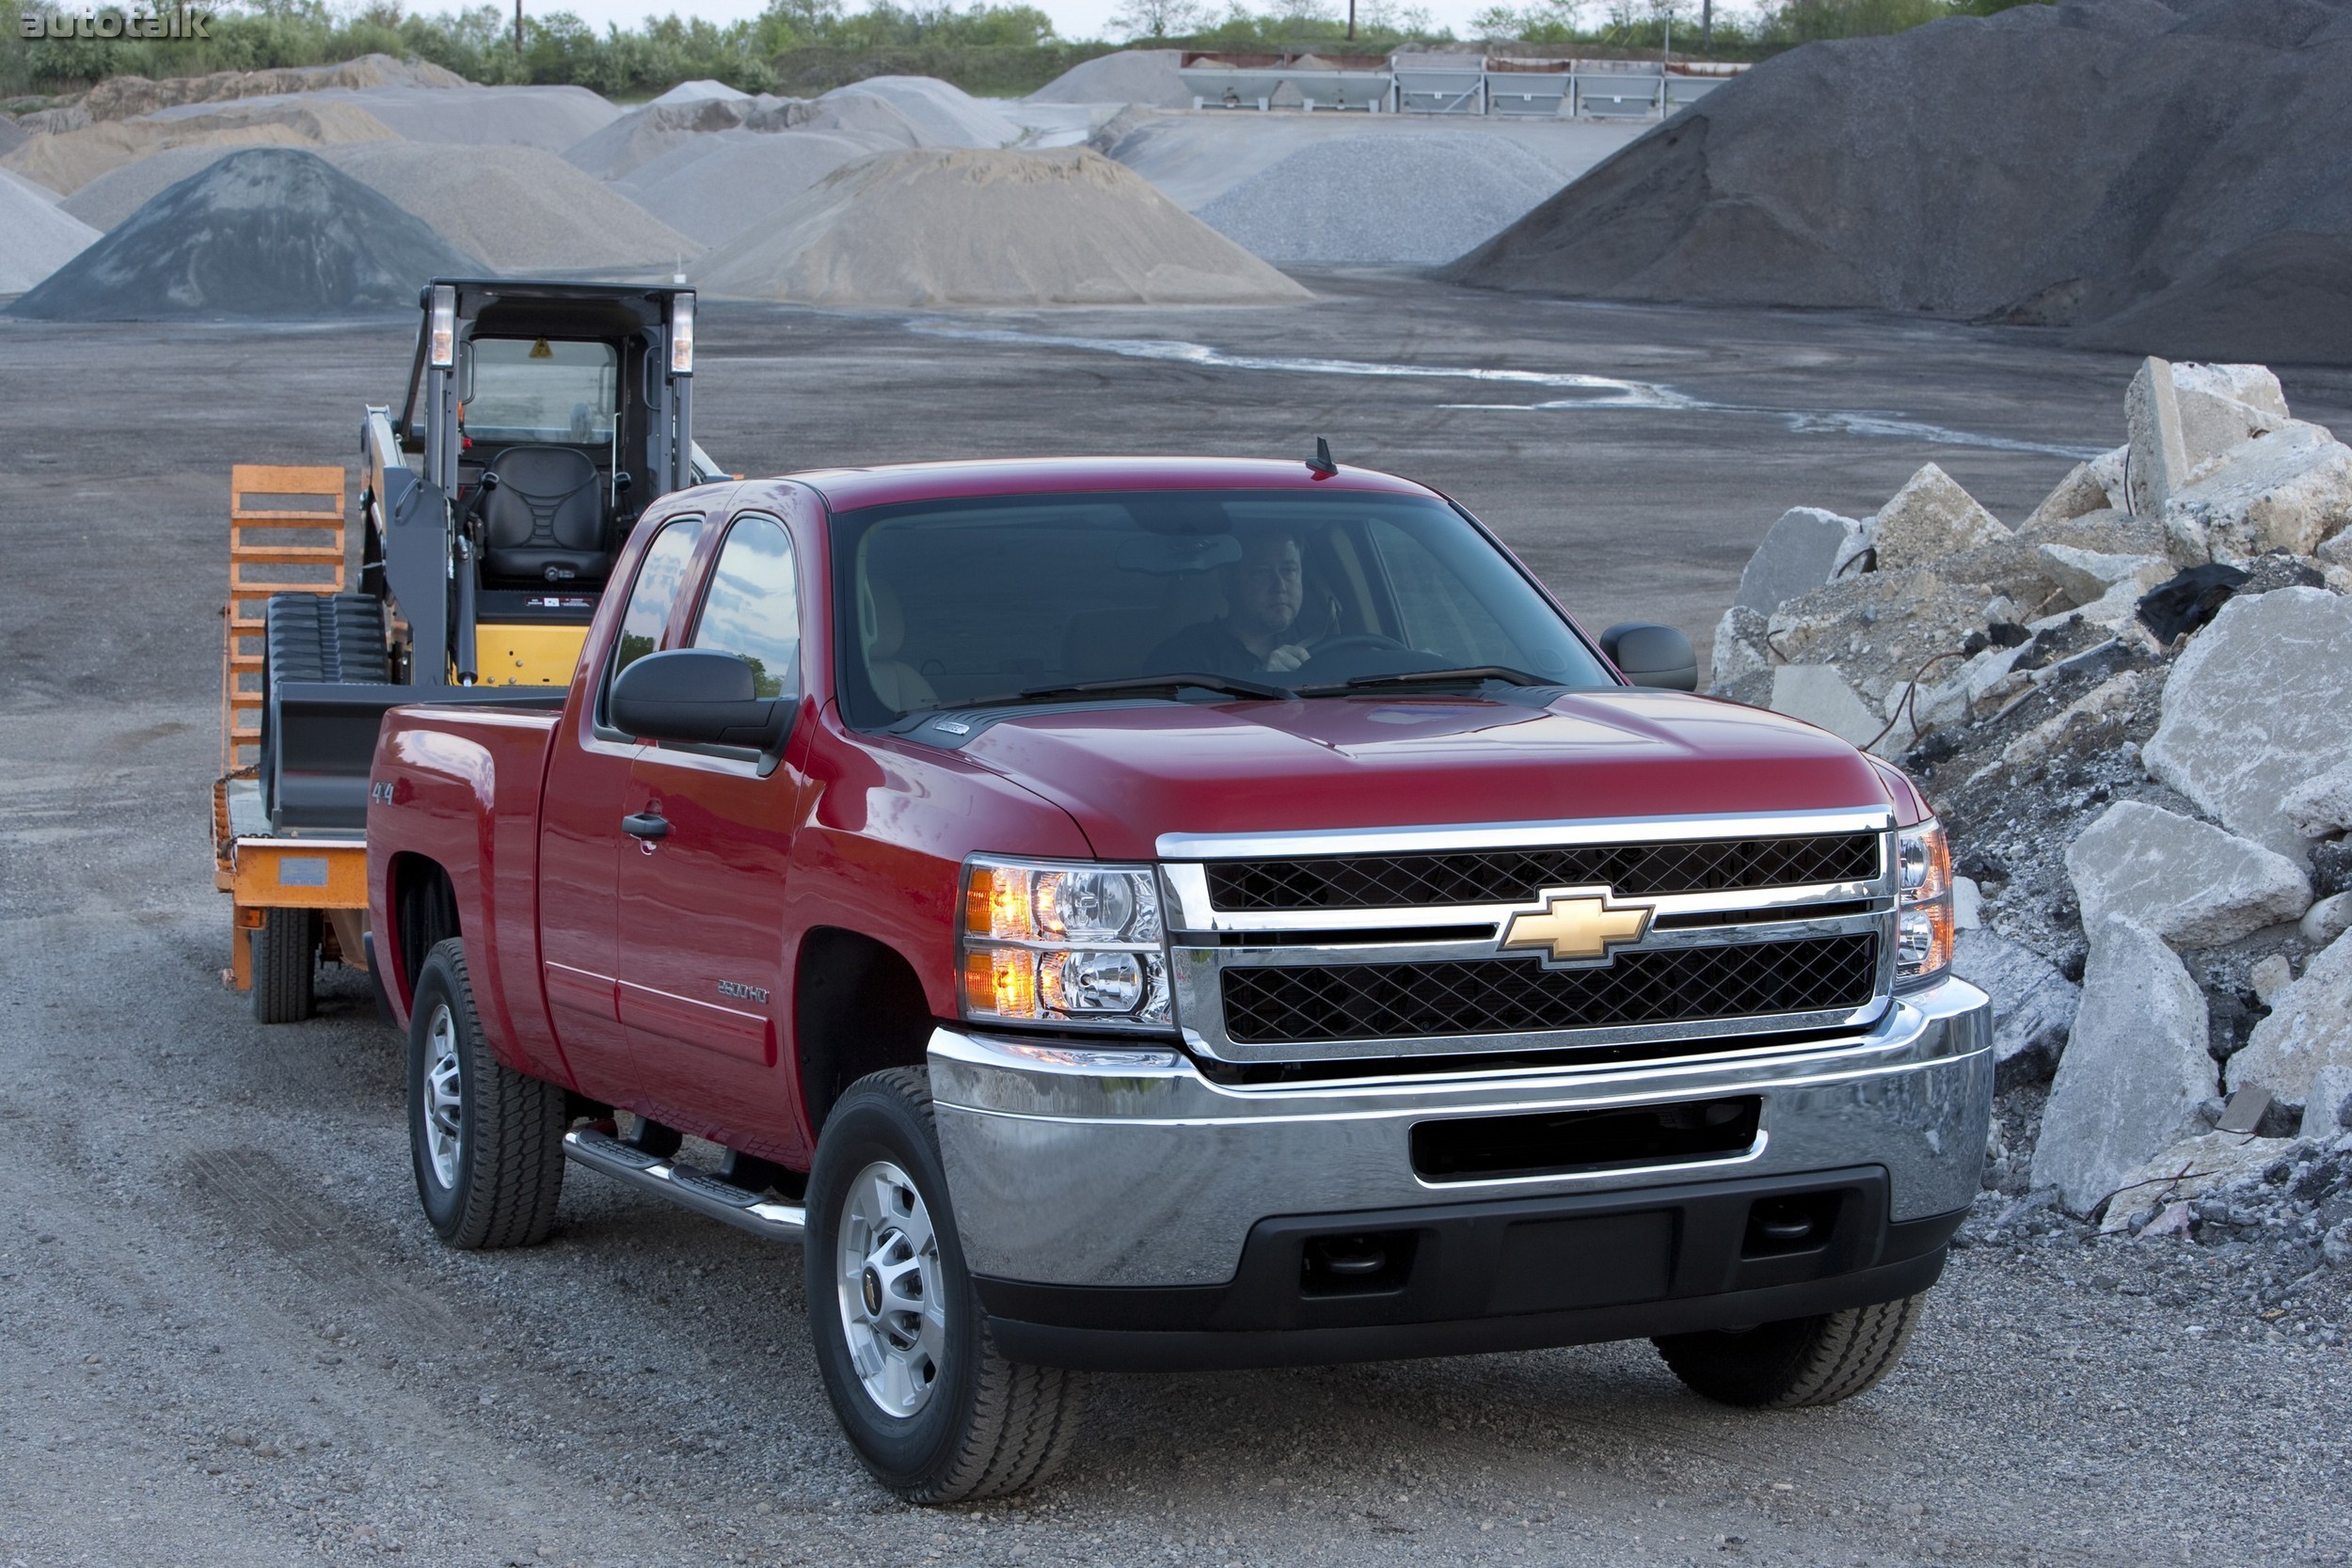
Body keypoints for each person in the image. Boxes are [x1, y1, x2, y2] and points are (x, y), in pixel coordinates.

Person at [1145, 528, 1316, 676]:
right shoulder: (1181, 658)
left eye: (1289, 570)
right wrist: (1265, 683)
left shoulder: (1319, 643)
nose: (1279, 586)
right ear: (1227, 582)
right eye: (1261, 572)